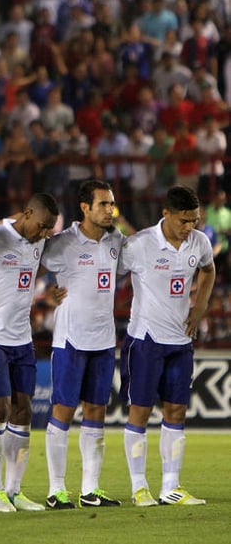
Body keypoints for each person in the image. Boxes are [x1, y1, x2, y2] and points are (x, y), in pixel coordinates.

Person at [0, 193, 59, 513]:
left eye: (49, 230)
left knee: (24, 412)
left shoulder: (38, 238)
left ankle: (15, 491)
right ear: (28, 214)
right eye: (42, 227)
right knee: (0, 409)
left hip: (22, 338)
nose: (45, 234)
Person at [119, 186, 215, 506]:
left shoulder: (199, 242)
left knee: (176, 411)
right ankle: (139, 486)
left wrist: (200, 304)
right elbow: (106, 272)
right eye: (184, 221)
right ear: (167, 214)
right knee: (141, 411)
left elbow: (208, 269)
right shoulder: (140, 245)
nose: (190, 227)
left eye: (194, 220)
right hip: (145, 340)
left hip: (180, 341)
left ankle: (171, 486)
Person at [40, 180, 124, 509]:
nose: (110, 210)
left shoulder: (117, 240)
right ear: (85, 208)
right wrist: (45, 294)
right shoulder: (62, 244)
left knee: (96, 411)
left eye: (112, 204)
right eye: (103, 204)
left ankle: (90, 489)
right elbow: (25, 265)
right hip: (70, 339)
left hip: (103, 340)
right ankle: (56, 489)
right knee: (63, 409)